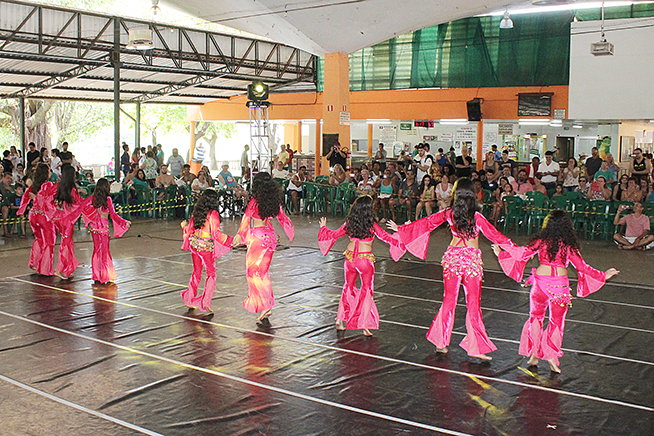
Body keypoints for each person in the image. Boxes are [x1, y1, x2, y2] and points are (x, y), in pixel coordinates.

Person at [388, 178, 516, 360]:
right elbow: (498, 236)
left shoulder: (450, 213)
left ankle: (441, 343)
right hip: (471, 261)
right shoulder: (477, 217)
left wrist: (403, 229)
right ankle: (476, 348)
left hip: (452, 258)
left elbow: (426, 222)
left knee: (449, 301)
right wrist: (520, 251)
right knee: (473, 304)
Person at [493, 210, 619, 373]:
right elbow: (581, 267)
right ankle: (550, 355)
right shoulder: (568, 245)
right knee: (556, 322)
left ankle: (534, 355)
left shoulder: (541, 241)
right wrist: (603, 275)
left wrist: (501, 254)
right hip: (560, 286)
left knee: (535, 318)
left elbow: (522, 253)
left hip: (540, 284)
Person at [318, 196, 406, 336]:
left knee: (348, 286)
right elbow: (388, 238)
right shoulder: (372, 225)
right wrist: (400, 230)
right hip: (365, 260)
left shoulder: (349, 223)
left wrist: (323, 228)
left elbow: (334, 235)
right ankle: (365, 325)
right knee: (367, 290)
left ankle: (340, 319)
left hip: (350, 258)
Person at [232, 172, 295, 323]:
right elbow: (283, 218)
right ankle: (266, 306)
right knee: (263, 274)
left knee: (252, 273)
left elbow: (246, 218)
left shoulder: (255, 201)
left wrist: (239, 235)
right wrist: (290, 231)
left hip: (259, 239)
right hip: (270, 238)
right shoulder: (274, 201)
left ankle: (265, 305)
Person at [180, 189, 233, 312]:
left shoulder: (198, 212)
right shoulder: (213, 213)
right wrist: (231, 240)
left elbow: (190, 229)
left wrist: (184, 227)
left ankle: (189, 299)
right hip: (205, 247)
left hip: (195, 244)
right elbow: (216, 234)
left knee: (196, 272)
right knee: (211, 274)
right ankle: (205, 302)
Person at [81, 178, 130, 284]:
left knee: (96, 250)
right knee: (105, 251)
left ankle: (97, 275)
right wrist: (123, 222)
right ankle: (105, 275)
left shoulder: (92, 198)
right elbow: (113, 215)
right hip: (103, 229)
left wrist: (89, 220)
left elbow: (82, 206)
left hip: (94, 229)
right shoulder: (107, 199)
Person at [17, 163, 58, 275]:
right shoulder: (48, 185)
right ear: (47, 173)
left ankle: (35, 263)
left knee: (39, 239)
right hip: (44, 216)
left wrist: (22, 209)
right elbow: (47, 201)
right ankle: (45, 269)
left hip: (33, 215)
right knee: (49, 241)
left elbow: (25, 196)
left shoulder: (34, 185)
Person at [52, 165, 84, 280]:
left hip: (58, 218)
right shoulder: (72, 189)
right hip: (67, 220)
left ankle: (68, 268)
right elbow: (77, 204)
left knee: (68, 243)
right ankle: (59, 269)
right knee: (66, 244)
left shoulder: (60, 186)